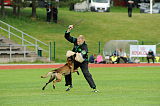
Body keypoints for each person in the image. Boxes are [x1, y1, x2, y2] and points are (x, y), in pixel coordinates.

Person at [64, 25, 98, 92]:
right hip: (75, 60)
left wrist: (73, 53)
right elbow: (67, 37)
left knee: (86, 73)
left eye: (79, 42)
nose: (77, 42)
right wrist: (69, 29)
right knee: (67, 69)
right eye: (77, 41)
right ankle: (69, 85)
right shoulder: (75, 41)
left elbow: (83, 54)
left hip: (83, 61)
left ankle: (94, 88)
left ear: (83, 41)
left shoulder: (85, 47)